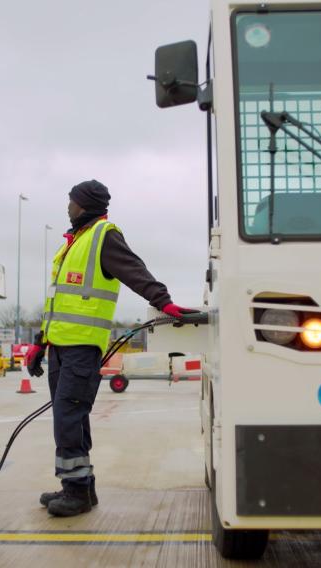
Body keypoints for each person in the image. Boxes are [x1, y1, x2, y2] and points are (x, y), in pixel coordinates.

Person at [23, 179, 193, 517]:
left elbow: (134, 270)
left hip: (82, 349)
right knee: (68, 418)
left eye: (70, 201)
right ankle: (80, 485)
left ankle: (77, 493)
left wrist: (164, 301)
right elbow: (57, 302)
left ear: (83, 205)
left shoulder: (104, 236)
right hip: (59, 347)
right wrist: (39, 343)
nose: (67, 207)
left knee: (69, 418)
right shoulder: (73, 243)